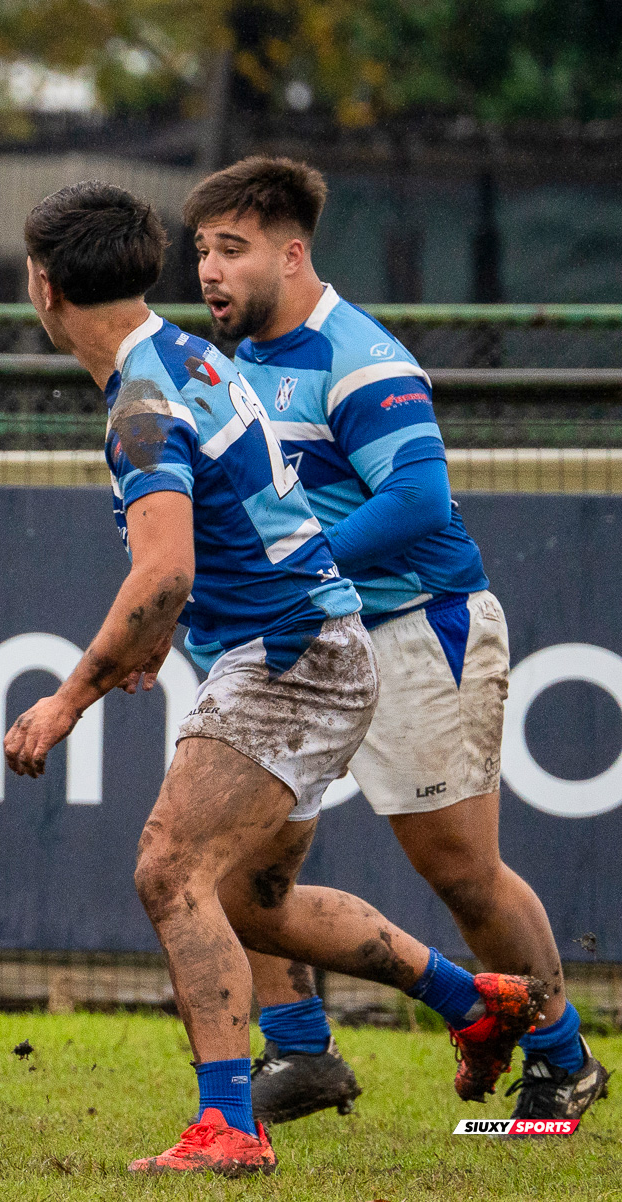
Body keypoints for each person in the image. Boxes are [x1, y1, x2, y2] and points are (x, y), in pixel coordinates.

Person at [3, 181, 548, 1176]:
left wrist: (69, 695)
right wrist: (166, 633)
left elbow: (164, 568)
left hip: (289, 655)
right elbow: (234, 523)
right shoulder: (195, 355)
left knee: (169, 870)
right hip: (304, 643)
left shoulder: (143, 401)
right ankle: (474, 1001)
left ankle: (229, 1124)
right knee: (247, 893)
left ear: (43, 287)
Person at [182, 156, 610, 1127]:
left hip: (414, 628)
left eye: (232, 249)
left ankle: (562, 1054)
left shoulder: (358, 356)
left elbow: (416, 501)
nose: (210, 270)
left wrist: (295, 567)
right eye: (202, 249)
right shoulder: (228, 370)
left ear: (293, 254)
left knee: (460, 871)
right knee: (237, 861)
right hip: (300, 638)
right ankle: (301, 1049)